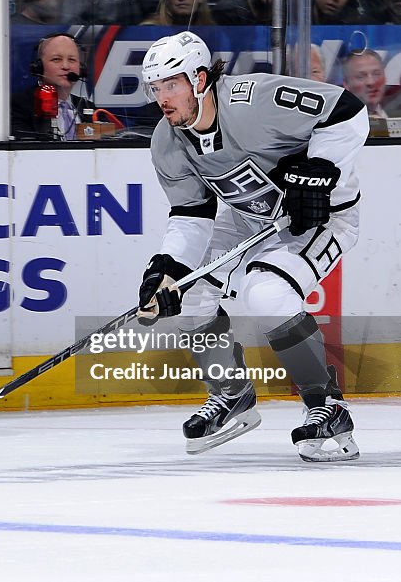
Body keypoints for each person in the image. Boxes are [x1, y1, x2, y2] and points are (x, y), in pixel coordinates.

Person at [137, 30, 368, 462]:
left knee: (266, 291)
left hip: (322, 217)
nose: (162, 98)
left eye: (171, 85)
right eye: (155, 88)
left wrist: (320, 169)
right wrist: (165, 270)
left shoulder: (252, 100)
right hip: (251, 219)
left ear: (200, 79)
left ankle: (327, 405)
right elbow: (191, 216)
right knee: (187, 292)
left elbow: (348, 110)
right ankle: (232, 395)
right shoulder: (166, 142)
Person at [10, 32, 95, 140]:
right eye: (56, 59)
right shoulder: (19, 106)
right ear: (38, 67)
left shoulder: (89, 108)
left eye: (72, 60)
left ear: (81, 68)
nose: (65, 66)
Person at [342, 48, 401, 118]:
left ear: (385, 77)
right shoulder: (338, 121)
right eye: (361, 77)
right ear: (347, 85)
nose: (371, 82)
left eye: (376, 74)